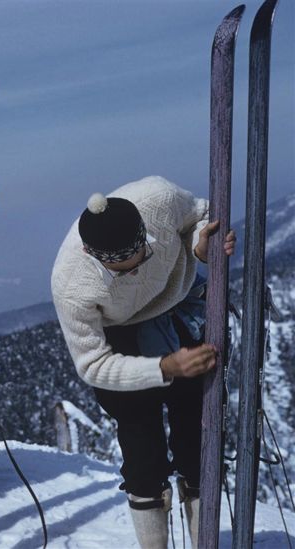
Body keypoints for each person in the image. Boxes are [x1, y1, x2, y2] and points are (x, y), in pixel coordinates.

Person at [51, 176, 236, 549]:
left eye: (138, 255)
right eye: (119, 266)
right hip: (120, 338)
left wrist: (202, 243)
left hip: (178, 309)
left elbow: (202, 212)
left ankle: (206, 540)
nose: (133, 268)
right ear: (93, 255)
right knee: (142, 455)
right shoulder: (71, 284)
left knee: (198, 437)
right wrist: (163, 368)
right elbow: (92, 364)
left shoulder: (158, 199)